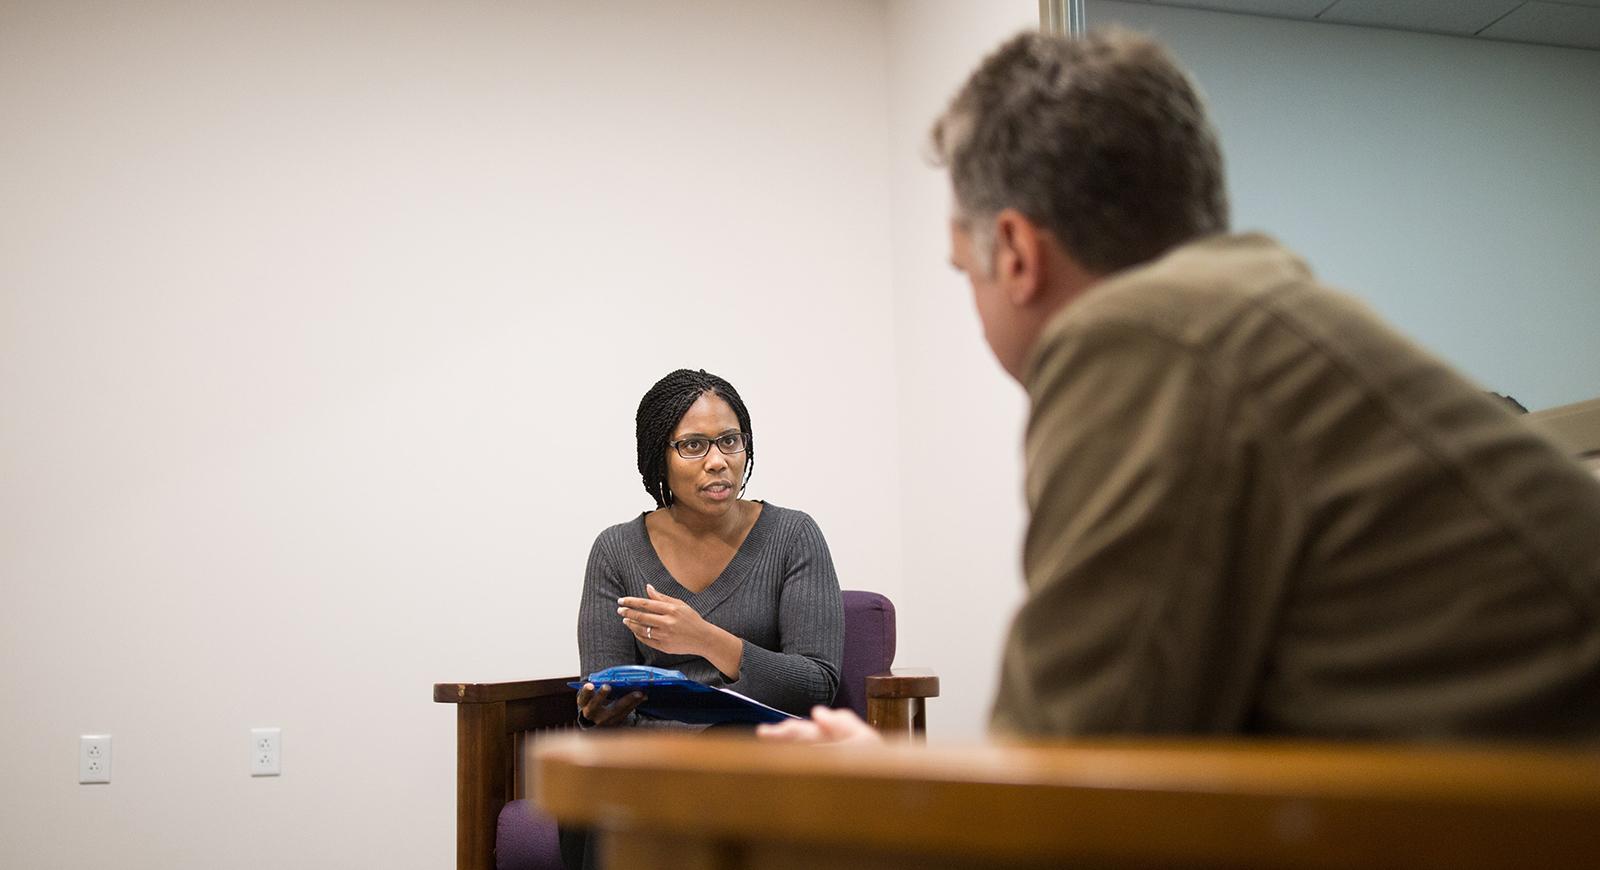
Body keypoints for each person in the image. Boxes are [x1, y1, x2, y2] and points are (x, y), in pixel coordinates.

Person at [761, 28, 1600, 745]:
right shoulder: (1244, 312)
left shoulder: (1140, 339)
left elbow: (1062, 809)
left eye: (962, 271)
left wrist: (854, 799)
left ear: (1014, 252)